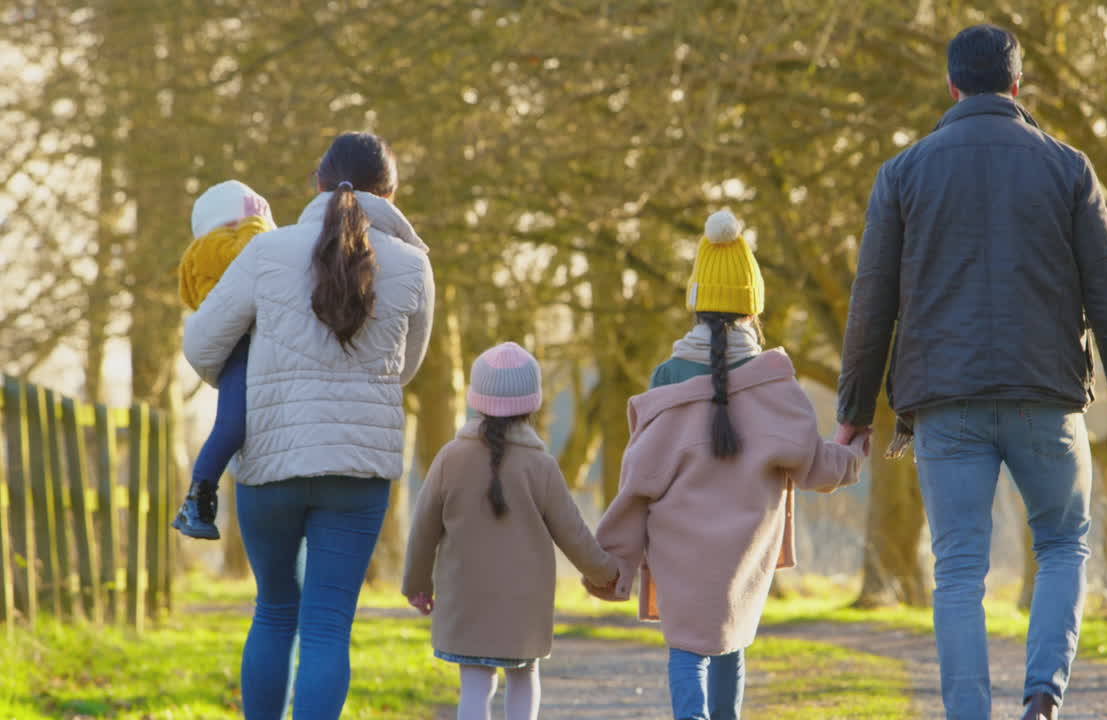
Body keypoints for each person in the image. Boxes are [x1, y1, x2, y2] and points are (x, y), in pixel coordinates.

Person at [835, 24, 1107, 720]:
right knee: (1064, 544)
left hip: (944, 403)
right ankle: (1042, 698)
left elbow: (873, 302)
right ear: (1018, 86)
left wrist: (855, 413)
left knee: (956, 571)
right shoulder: (1068, 167)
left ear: (952, 87)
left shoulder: (902, 173)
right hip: (1045, 397)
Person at [183, 132, 434, 720]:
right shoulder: (414, 266)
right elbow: (408, 366)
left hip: (270, 463)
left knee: (274, 611)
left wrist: (256, 383)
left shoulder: (267, 254)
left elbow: (200, 346)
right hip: (358, 471)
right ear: (390, 193)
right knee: (326, 627)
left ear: (316, 183)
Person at [589, 210, 863, 720]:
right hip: (744, 548)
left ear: (695, 309)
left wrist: (614, 553)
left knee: (686, 647)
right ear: (752, 311)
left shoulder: (668, 375)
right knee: (731, 638)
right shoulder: (775, 384)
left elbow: (640, 479)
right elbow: (815, 466)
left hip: (678, 543)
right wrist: (853, 452)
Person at [401, 342, 619, 720]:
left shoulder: (450, 458)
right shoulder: (541, 465)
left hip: (464, 599)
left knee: (475, 684)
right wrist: (606, 574)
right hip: (524, 606)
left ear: (476, 399)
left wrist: (417, 585)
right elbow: (574, 533)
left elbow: (423, 529)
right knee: (523, 677)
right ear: (532, 404)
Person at [172, 180, 276, 540]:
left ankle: (200, 495)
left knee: (237, 422)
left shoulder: (211, 248)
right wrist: (255, 225)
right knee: (232, 424)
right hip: (242, 344)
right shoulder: (217, 247)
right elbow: (251, 264)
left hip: (244, 341)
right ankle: (198, 497)